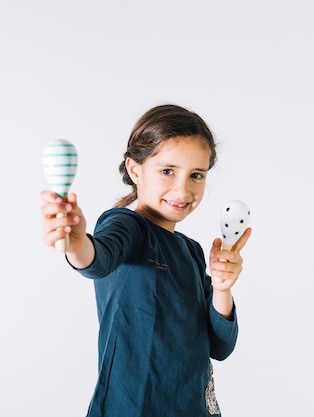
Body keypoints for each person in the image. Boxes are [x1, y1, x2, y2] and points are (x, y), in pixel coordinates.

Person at [40, 104, 252, 417]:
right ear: (135, 169)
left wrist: (222, 287)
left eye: (196, 175)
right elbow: (98, 259)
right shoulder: (127, 226)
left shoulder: (191, 251)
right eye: (167, 171)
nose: (182, 189)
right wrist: (75, 243)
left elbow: (220, 346)